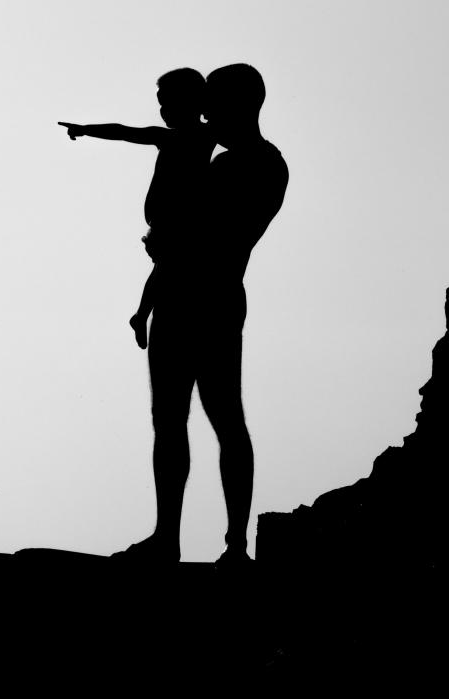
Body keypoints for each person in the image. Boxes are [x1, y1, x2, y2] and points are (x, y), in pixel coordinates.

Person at [116, 63, 289, 567]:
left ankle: (221, 544)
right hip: (195, 295)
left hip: (202, 299)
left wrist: (162, 252)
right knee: (187, 420)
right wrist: (149, 298)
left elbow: (188, 238)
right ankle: (181, 540)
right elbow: (177, 242)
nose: (205, 113)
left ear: (239, 105)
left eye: (212, 102)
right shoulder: (248, 164)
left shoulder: (243, 166)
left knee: (211, 420)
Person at [59, 67, 215, 349]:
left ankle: (141, 315)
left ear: (193, 102)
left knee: (166, 267)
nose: (163, 111)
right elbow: (123, 132)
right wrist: (85, 130)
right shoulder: (173, 137)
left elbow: (123, 132)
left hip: (181, 219)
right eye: (161, 104)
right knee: (164, 266)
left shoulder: (201, 136)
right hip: (165, 220)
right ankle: (141, 315)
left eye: (168, 103)